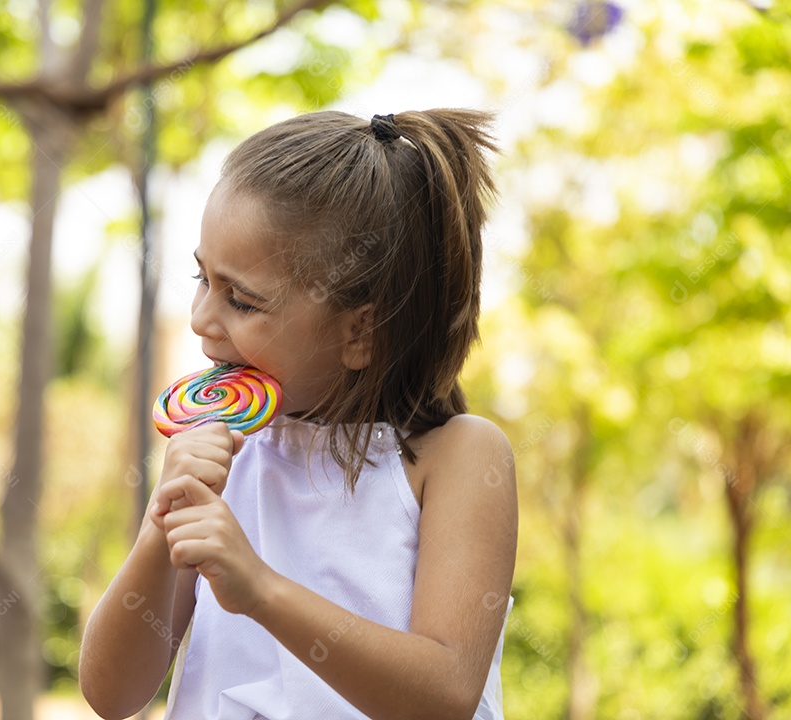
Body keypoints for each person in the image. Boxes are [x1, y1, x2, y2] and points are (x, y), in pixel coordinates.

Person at [79, 109, 518, 720]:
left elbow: (444, 696)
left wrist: (260, 589)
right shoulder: (227, 452)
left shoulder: (458, 456)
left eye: (242, 300)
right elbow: (111, 694)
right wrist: (162, 525)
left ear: (360, 332)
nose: (201, 319)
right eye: (202, 278)